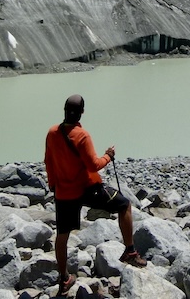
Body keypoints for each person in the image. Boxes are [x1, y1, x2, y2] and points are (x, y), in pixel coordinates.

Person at [44, 94, 146, 296]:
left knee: (62, 236)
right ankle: (130, 250)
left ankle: (64, 279)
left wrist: (53, 185)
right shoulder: (82, 136)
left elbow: (48, 161)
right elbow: (94, 165)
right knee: (124, 205)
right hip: (88, 190)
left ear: (64, 110)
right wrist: (108, 155)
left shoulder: (52, 133)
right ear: (82, 112)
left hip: (64, 194)